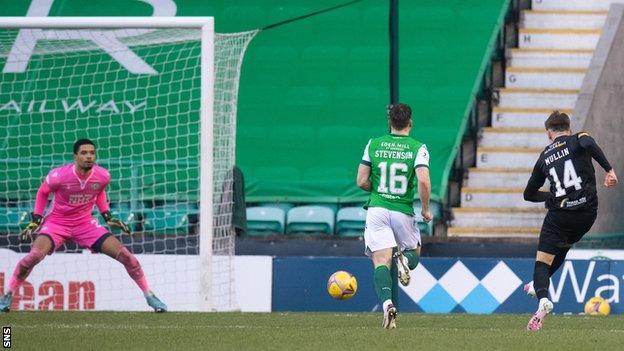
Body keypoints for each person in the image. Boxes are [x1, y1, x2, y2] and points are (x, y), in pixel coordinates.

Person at [0, 139, 167, 312]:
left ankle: (149, 295)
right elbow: (43, 192)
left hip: (85, 224)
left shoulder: (103, 176)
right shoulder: (59, 176)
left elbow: (99, 191)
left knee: (127, 256)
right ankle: (8, 294)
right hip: (57, 223)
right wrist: (36, 219)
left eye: (92, 153)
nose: (89, 156)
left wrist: (107, 215)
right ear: (75, 156)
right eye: (84, 153)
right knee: (33, 257)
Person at [523, 111, 617, 331]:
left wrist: (553, 196)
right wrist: (609, 170)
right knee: (562, 249)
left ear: (549, 134)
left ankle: (543, 298)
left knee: (542, 264)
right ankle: (538, 289)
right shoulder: (578, 138)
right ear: (569, 128)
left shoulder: (544, 156)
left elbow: (529, 194)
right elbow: (590, 143)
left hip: (560, 217)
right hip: (586, 214)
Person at [356, 103, 432, 329]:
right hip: (402, 210)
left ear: (390, 122)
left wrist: (380, 188)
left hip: (377, 209)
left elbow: (361, 181)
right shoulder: (418, 148)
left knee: (380, 262)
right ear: (411, 122)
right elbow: (424, 180)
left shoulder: (374, 144)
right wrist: (425, 209)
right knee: (414, 252)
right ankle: (405, 261)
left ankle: (387, 304)